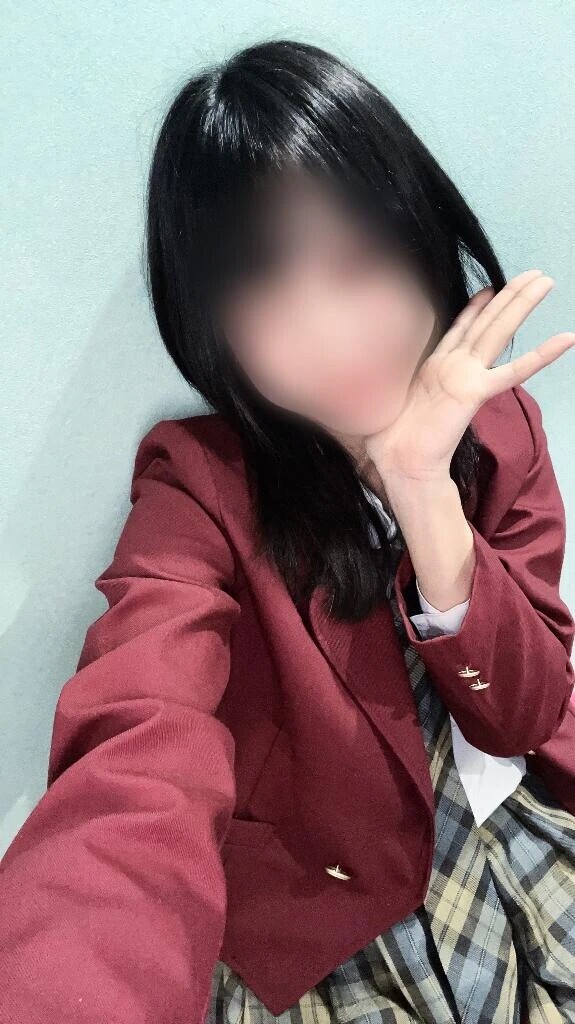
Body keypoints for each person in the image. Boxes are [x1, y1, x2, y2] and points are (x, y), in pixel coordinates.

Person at [2, 37, 575, 1024]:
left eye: (358, 258)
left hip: (501, 825)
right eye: (262, 287)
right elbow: (135, 750)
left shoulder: (501, 427)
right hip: (333, 913)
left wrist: (420, 487)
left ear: (421, 239)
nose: (326, 331)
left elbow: (523, 713)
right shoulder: (200, 490)